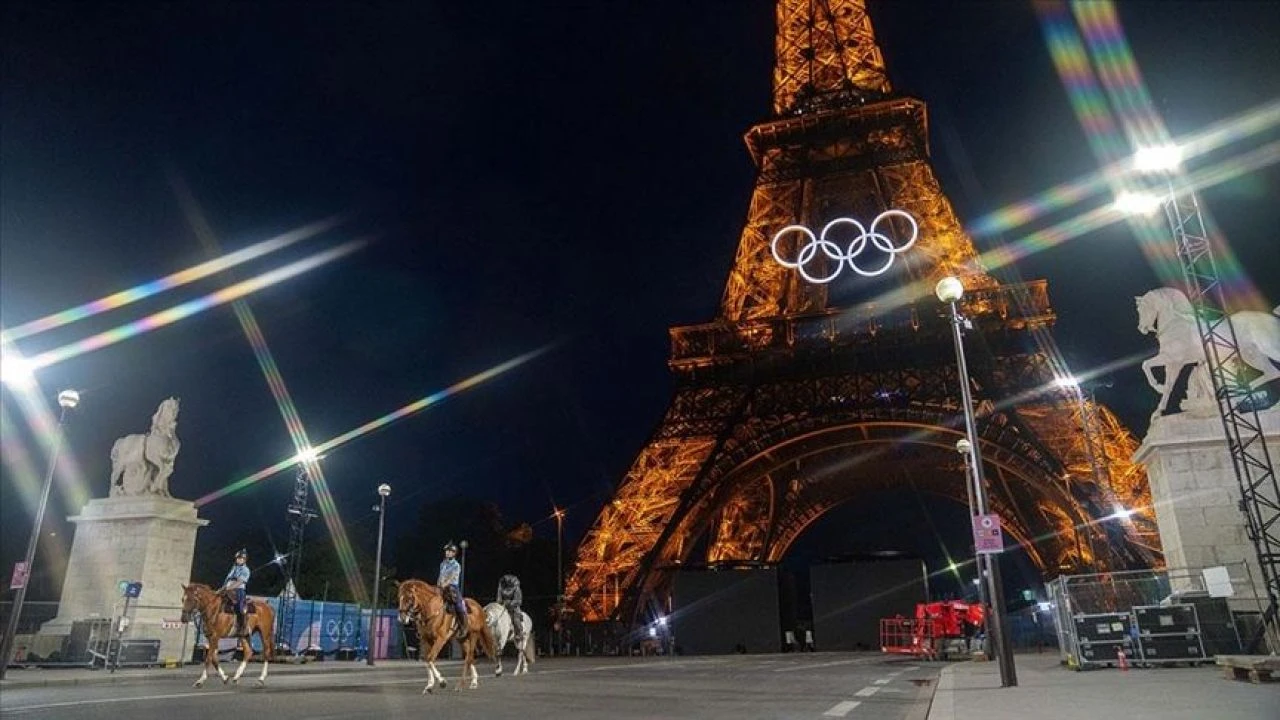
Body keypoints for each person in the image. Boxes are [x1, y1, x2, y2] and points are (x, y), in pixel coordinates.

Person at [438, 542, 467, 638]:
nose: (447, 553)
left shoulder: (456, 565)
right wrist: (438, 585)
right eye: (446, 551)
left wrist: (444, 584)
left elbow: (452, 577)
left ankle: (463, 626)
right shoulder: (442, 564)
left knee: (458, 604)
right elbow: (440, 576)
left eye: (450, 551)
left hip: (452, 588)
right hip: (441, 587)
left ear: (454, 553)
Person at [223, 549, 251, 635]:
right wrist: (223, 588)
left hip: (238, 590)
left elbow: (240, 582)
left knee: (239, 607)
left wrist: (230, 588)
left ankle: (242, 627)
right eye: (238, 558)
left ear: (244, 560)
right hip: (228, 589)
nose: (239, 560)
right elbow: (227, 579)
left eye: (241, 559)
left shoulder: (246, 570)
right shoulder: (234, 568)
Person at [496, 574, 524, 648]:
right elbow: (499, 598)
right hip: (504, 607)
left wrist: (510, 603)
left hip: (514, 607)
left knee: (516, 619)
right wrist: (500, 603)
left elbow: (518, 600)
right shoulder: (501, 587)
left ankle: (519, 633)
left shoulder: (516, 588)